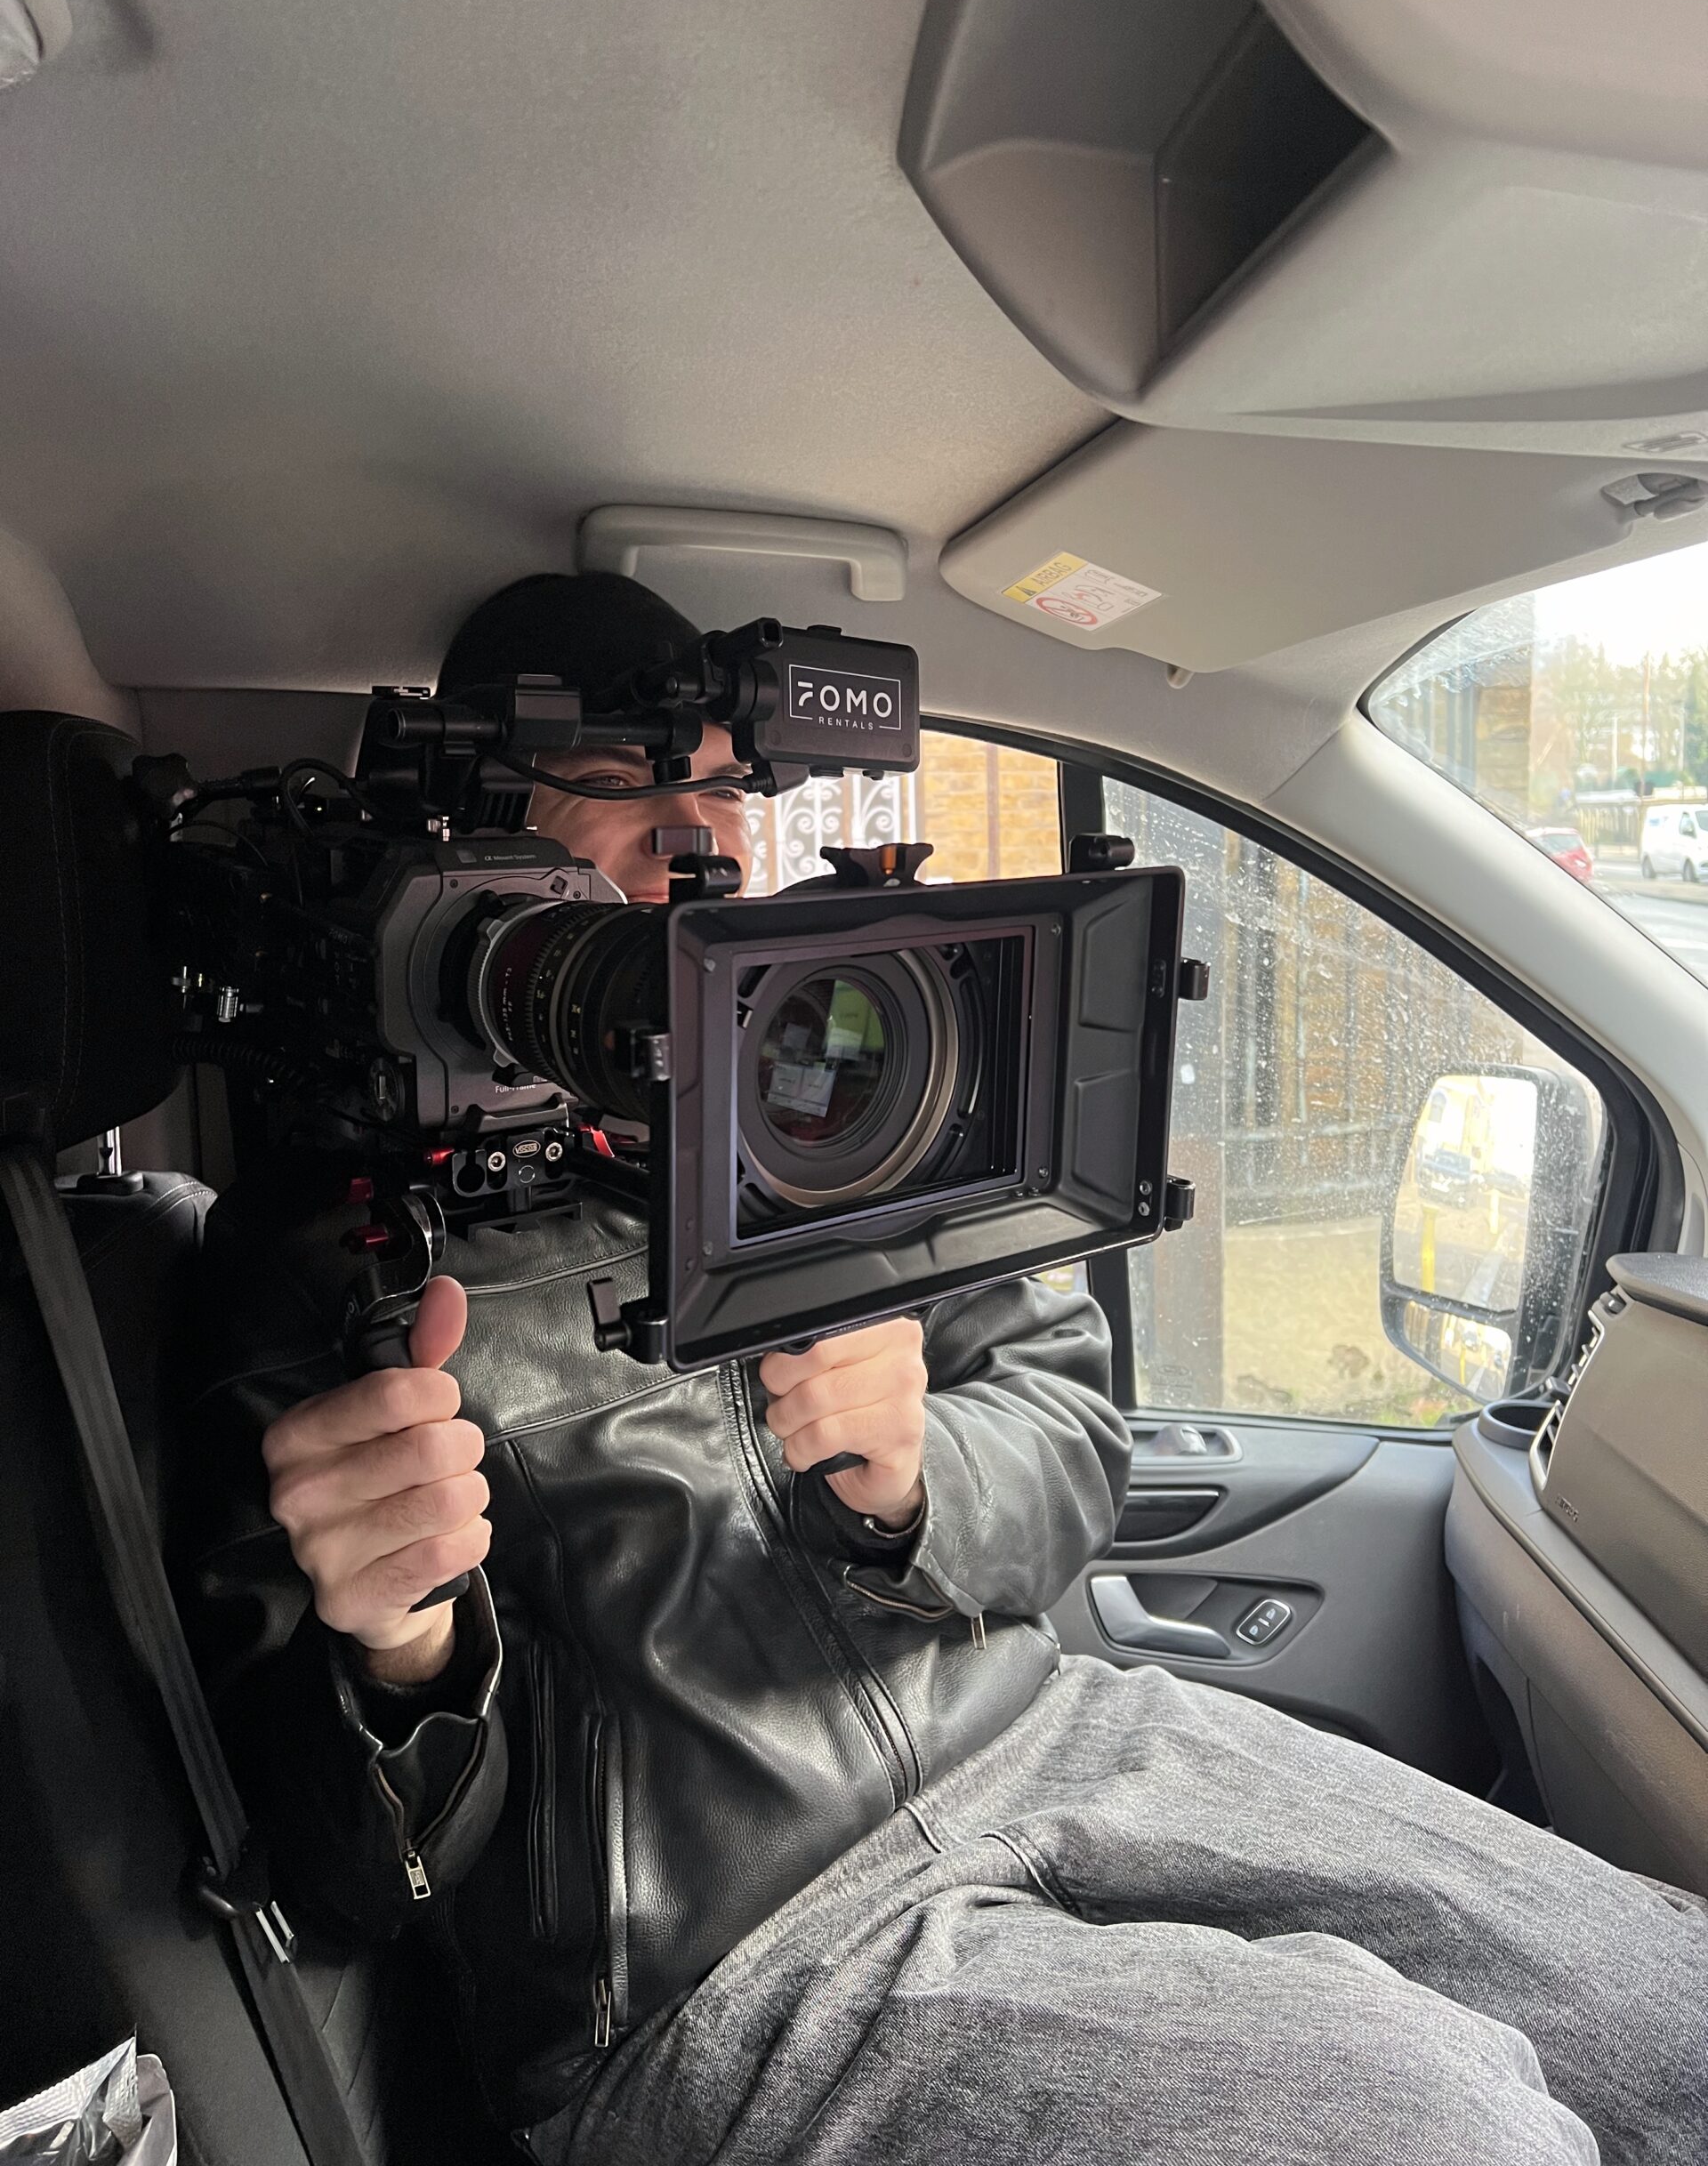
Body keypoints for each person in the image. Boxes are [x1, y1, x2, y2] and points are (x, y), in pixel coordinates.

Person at [182, 574, 1708, 2166]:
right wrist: (405, 1663)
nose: (691, 837)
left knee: (1669, 2010)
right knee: (1436, 2130)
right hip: (727, 1963)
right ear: (473, 846)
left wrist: (920, 1476)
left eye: (716, 789)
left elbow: (1068, 1437)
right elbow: (350, 1882)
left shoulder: (850, 1067)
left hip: (1061, 1735)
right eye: (623, 792)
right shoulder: (326, 1262)